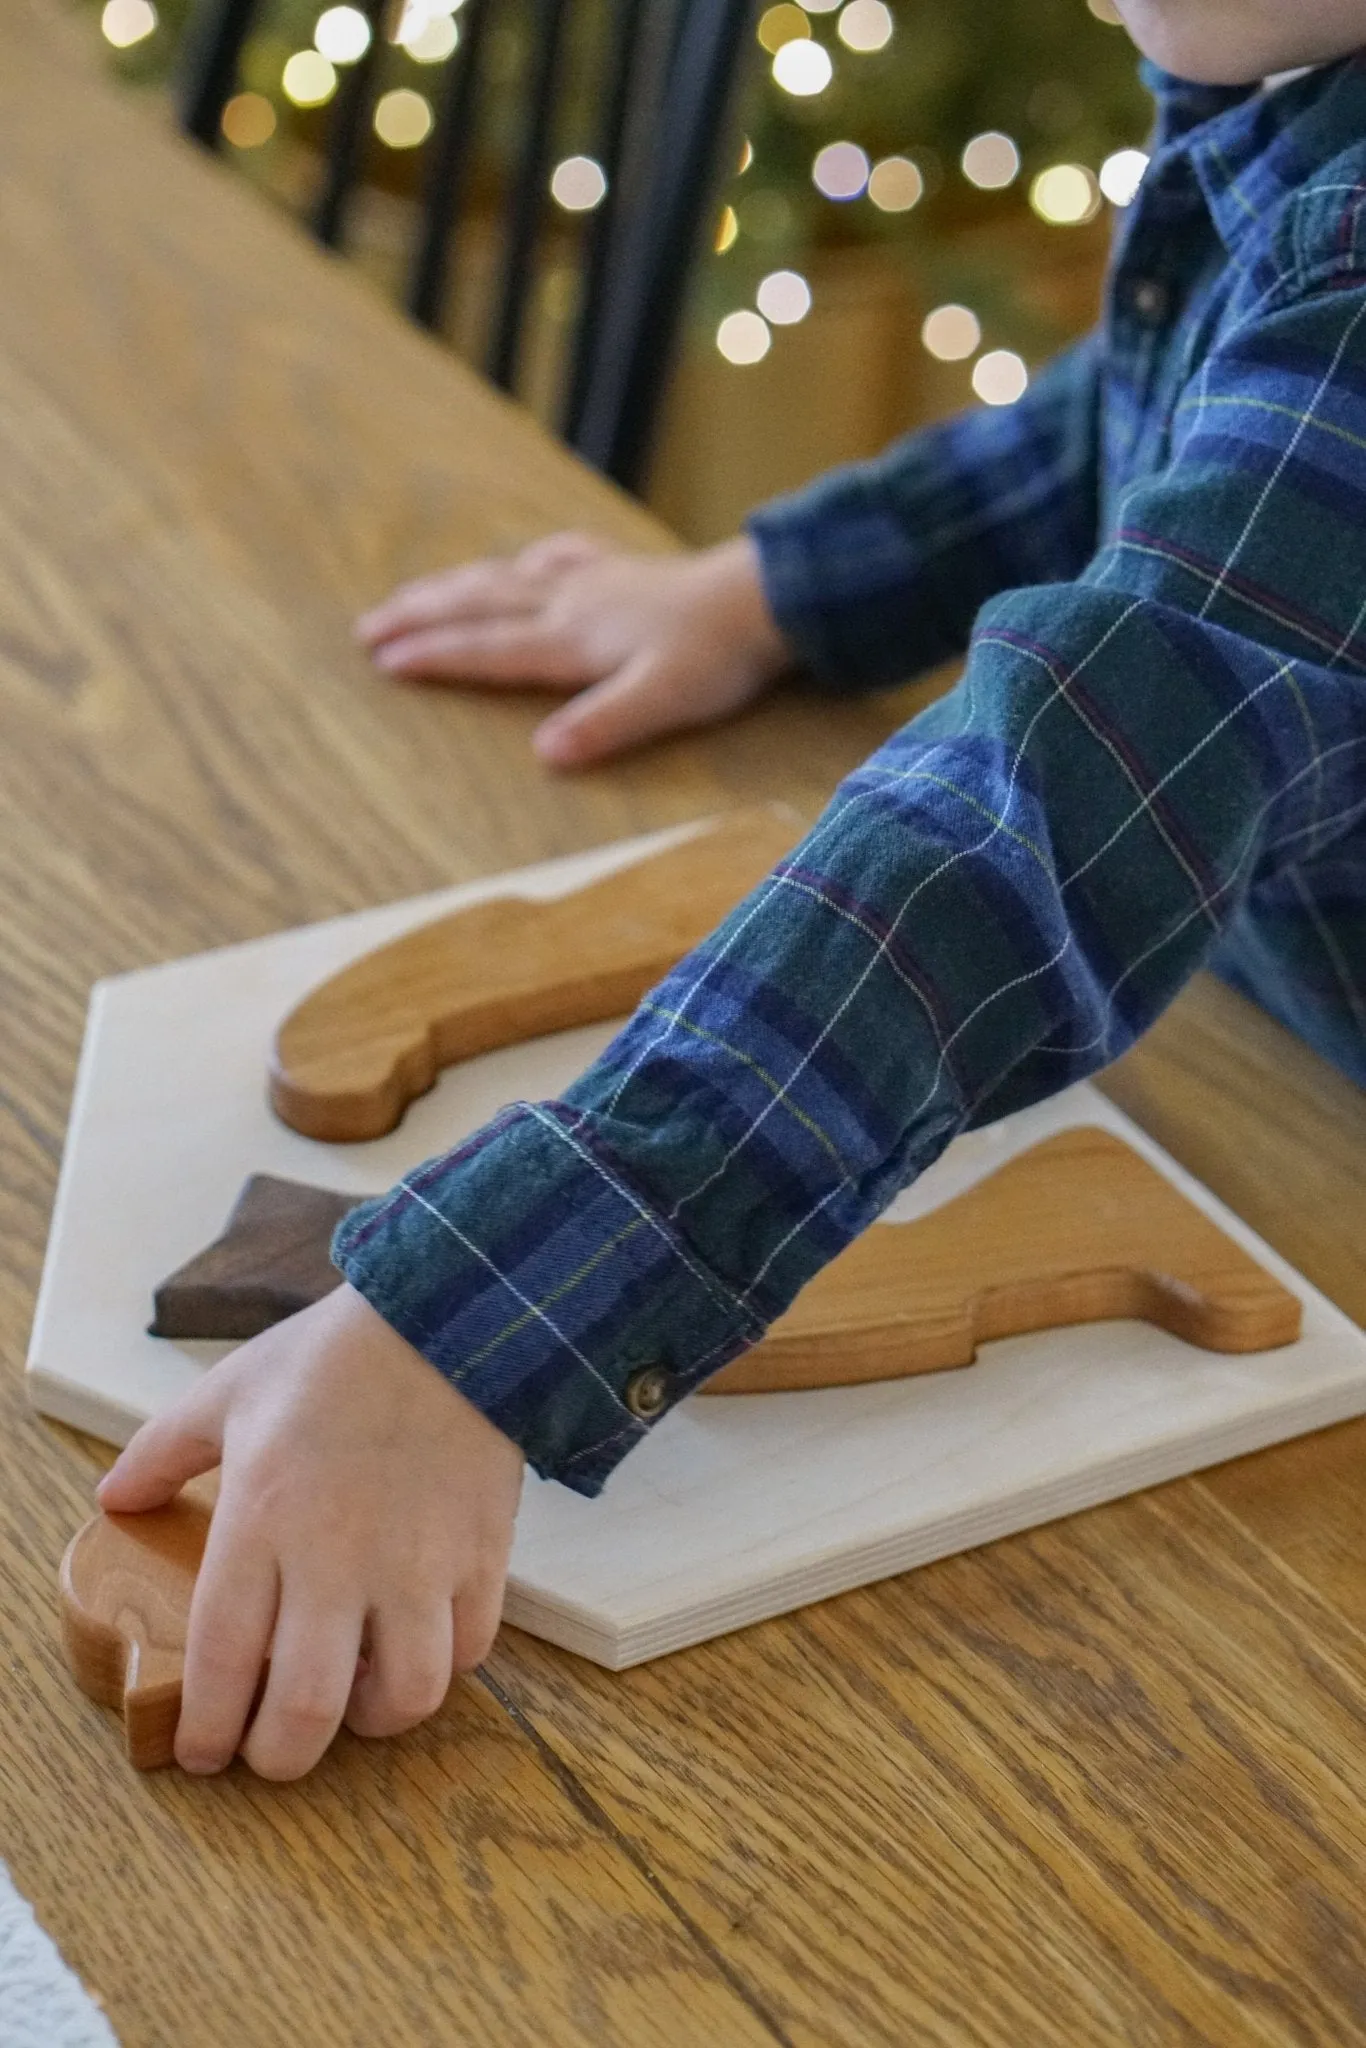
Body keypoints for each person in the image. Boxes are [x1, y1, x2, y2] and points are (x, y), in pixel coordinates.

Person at [99, 0, 1366, 1781]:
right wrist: (780, 588)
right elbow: (1172, 417)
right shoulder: (1294, 107)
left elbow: (1044, 821)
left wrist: (473, 1329)